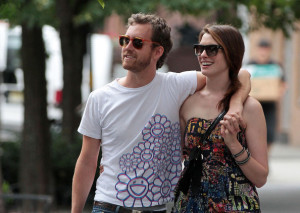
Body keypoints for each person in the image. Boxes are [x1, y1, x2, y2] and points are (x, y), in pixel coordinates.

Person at [71, 13, 251, 213]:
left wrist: (235, 106)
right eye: (125, 40)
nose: (127, 47)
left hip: (157, 209)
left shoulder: (176, 85)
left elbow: (239, 75)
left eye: (137, 42)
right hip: (108, 207)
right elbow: (87, 161)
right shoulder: (99, 98)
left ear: (157, 51)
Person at [174, 24, 268, 212]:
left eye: (212, 49)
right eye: (199, 49)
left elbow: (260, 178)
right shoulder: (187, 103)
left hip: (236, 206)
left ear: (231, 53)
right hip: (191, 205)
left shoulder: (250, 108)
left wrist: (234, 145)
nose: (203, 55)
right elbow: (176, 159)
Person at [247, 39, 286, 152]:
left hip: (270, 105)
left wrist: (279, 93)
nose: (263, 52)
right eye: (261, 49)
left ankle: (265, 158)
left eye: (266, 50)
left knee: (269, 134)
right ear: (257, 50)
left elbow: (283, 84)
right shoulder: (250, 65)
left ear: (269, 51)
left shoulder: (276, 66)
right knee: (253, 132)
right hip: (253, 105)